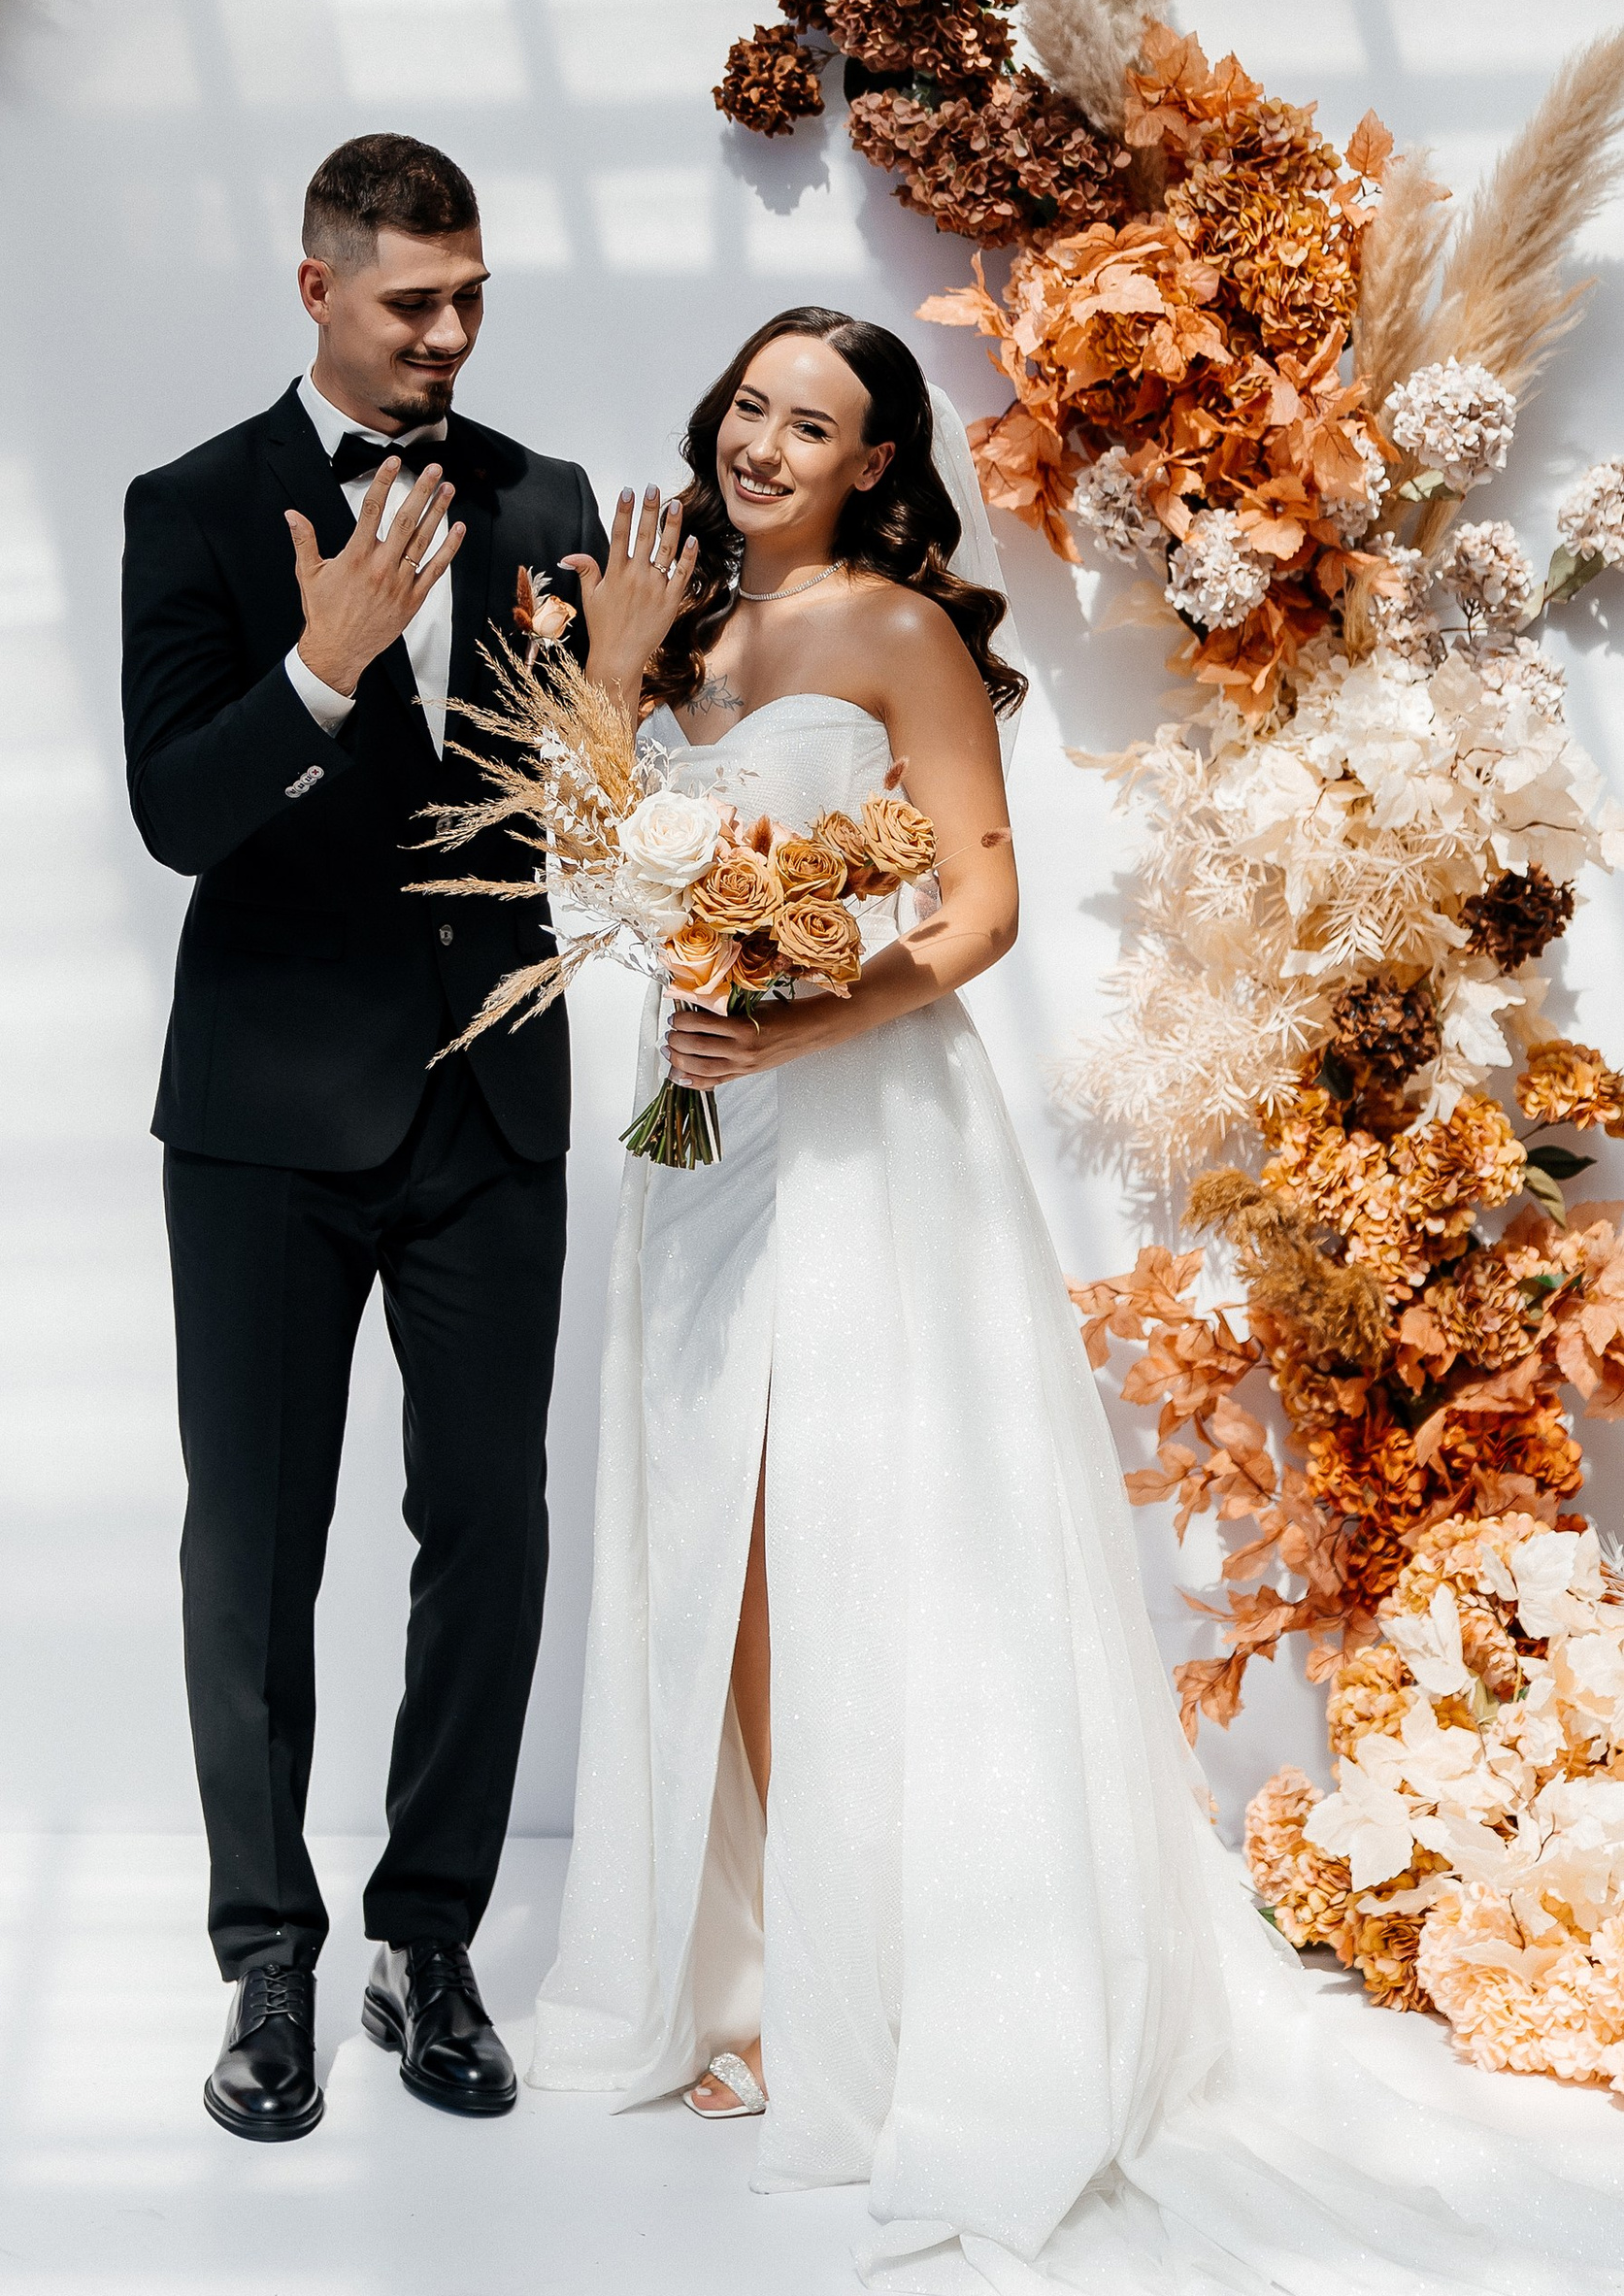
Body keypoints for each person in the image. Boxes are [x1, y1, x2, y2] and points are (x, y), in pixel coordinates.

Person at [528, 306, 1622, 2292]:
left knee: (851, 1516)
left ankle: (896, 1984)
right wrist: (612, 685)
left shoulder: (888, 630)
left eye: (815, 421)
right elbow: (600, 890)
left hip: (850, 1114)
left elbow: (975, 900)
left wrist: (806, 1009)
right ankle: (775, 1958)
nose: (763, 441)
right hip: (696, 1124)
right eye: (749, 405)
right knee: (724, 1540)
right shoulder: (685, 633)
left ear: (872, 464)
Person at [121, 132, 604, 2146]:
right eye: (412, 300)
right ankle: (268, 1958)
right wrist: (322, 662)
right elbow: (174, 812)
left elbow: (577, 811)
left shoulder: (546, 502)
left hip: (489, 1100)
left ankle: (428, 1935)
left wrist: (631, 694)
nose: (448, 334)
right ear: (313, 285)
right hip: (259, 1120)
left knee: (484, 1537)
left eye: (470, 295)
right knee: (253, 1551)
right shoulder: (193, 507)